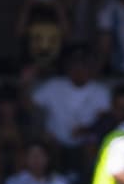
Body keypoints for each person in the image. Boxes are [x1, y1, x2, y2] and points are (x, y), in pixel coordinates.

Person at [31, 47, 110, 176]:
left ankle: (88, 182)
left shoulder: (100, 91)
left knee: (93, 144)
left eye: (83, 66)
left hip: (85, 139)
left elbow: (105, 121)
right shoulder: (54, 85)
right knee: (46, 143)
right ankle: (52, 181)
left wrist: (86, 130)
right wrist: (25, 85)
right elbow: (30, 106)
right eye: (74, 65)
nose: (78, 70)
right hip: (55, 139)